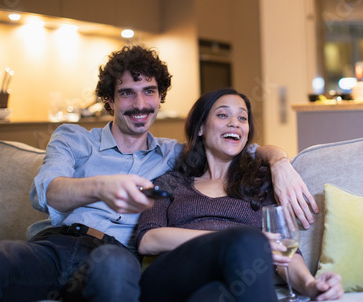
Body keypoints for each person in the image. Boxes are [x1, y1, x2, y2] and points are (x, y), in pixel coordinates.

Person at [0, 45, 317, 302]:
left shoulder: (174, 155)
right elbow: (48, 191)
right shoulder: (76, 139)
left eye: (149, 92)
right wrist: (101, 187)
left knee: (114, 271)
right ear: (109, 100)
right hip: (55, 247)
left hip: (115, 256)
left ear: (160, 98)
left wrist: (280, 162)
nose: (140, 103)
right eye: (127, 92)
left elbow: (234, 145)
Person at [135, 88, 344, 302]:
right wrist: (228, 241)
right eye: (223, 115)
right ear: (200, 128)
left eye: (242, 118)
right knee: (248, 239)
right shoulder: (170, 182)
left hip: (227, 284)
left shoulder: (261, 183)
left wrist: (311, 286)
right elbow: (147, 239)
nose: (235, 122)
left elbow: (284, 251)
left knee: (212, 296)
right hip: (172, 277)